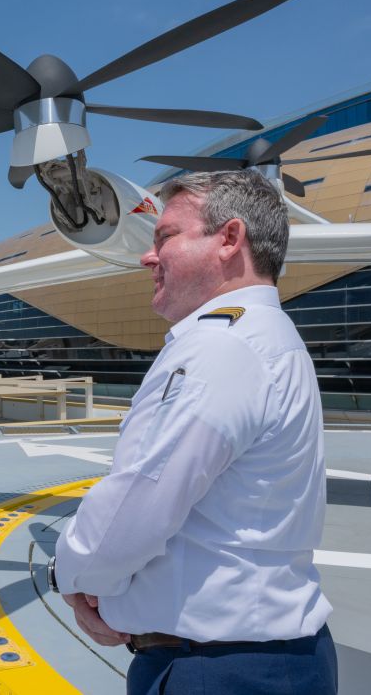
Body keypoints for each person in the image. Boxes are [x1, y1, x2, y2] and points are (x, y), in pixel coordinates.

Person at [49, 169, 337, 694]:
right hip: (268, 662)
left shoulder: (219, 347)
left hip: (216, 670)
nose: (147, 256)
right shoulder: (267, 337)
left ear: (229, 240)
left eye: (165, 237)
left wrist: (71, 578)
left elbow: (137, 505)